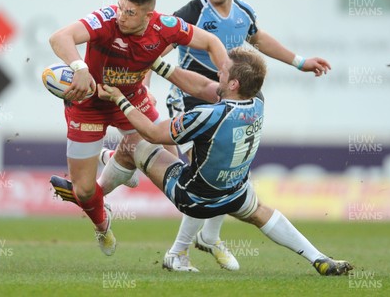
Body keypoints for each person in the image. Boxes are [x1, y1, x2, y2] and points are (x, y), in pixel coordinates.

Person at [98, 48, 352, 276]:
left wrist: (121, 99)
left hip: (193, 198)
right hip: (234, 193)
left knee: (131, 144)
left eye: (224, 69)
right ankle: (318, 258)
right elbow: (203, 87)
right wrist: (158, 64)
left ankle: (103, 187)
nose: (219, 69)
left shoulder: (208, 116)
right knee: (261, 212)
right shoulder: (258, 101)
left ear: (233, 83)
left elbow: (153, 133)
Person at [157, 0, 333, 272]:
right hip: (193, 99)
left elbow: (258, 38)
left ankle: (207, 238)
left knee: (227, 171)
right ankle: (179, 251)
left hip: (232, 100)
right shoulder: (191, 13)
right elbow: (161, 44)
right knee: (206, 175)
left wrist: (300, 62)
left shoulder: (244, 12)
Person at [48, 0, 228, 255]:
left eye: (130, 12)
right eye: (120, 7)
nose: (121, 16)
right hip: (89, 104)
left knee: (173, 165)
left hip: (132, 99)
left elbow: (212, 41)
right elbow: (59, 37)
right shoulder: (106, 19)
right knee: (83, 191)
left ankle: (121, 160)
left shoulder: (166, 27)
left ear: (148, 14)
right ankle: (102, 225)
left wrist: (226, 71)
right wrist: (79, 67)